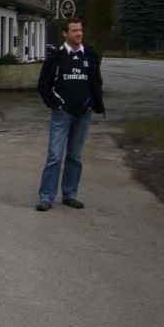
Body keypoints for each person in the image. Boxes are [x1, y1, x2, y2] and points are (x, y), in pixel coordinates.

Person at [35, 17, 105, 212]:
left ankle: (70, 194)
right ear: (65, 34)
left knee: (75, 156)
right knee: (55, 156)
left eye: (80, 30)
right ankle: (46, 197)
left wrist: (93, 102)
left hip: (83, 113)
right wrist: (56, 104)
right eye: (74, 31)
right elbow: (43, 86)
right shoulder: (56, 58)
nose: (79, 34)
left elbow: (96, 82)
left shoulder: (90, 55)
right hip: (62, 113)